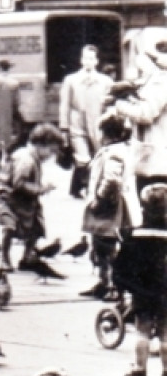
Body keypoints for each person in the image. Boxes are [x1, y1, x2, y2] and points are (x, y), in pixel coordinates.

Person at [0, 123, 64, 269]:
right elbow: (19, 183)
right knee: (10, 225)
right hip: (6, 197)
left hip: (22, 198)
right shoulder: (26, 159)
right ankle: (4, 257)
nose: (51, 156)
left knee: (37, 225)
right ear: (41, 144)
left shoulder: (32, 157)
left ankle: (27, 256)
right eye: (51, 150)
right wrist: (41, 189)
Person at [112, 183, 167, 376]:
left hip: (142, 290)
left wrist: (123, 285)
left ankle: (140, 370)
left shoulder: (133, 235)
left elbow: (120, 266)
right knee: (165, 330)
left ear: (143, 209)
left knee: (142, 329)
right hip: (165, 291)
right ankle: (166, 371)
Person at [80, 116, 131, 300]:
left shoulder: (114, 152)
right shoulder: (116, 149)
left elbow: (111, 179)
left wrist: (99, 199)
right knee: (101, 246)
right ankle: (104, 283)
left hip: (108, 209)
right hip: (109, 208)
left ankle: (111, 286)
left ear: (105, 133)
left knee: (105, 247)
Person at [61, 44, 114, 198]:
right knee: (82, 158)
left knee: (98, 158)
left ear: (97, 61)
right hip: (77, 125)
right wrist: (64, 128)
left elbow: (110, 105)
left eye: (91, 58)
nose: (88, 61)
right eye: (85, 58)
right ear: (81, 60)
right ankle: (82, 188)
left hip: (98, 125)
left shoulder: (106, 81)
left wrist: (110, 125)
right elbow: (65, 105)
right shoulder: (71, 80)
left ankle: (85, 188)